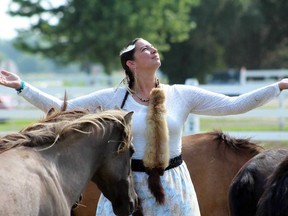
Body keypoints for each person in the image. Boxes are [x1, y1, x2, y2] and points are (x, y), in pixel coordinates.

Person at [1, 37, 288, 216]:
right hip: (127, 186)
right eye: (145, 49)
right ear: (131, 64)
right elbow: (63, 107)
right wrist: (22, 87)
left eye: (153, 47)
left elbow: (234, 105)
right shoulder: (113, 98)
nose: (153, 50)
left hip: (174, 186)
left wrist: (278, 86)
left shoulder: (181, 95)